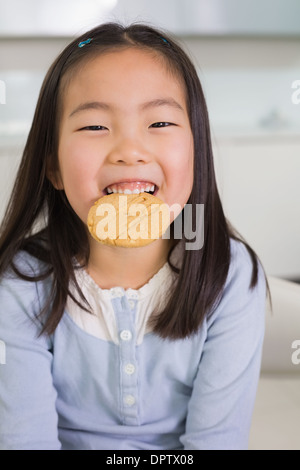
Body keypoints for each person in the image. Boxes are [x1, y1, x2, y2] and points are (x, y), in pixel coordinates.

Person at [0, 22, 267, 450]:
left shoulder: (228, 274)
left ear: (197, 150)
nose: (129, 150)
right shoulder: (22, 281)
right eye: (94, 127)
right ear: (52, 166)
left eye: (159, 122)